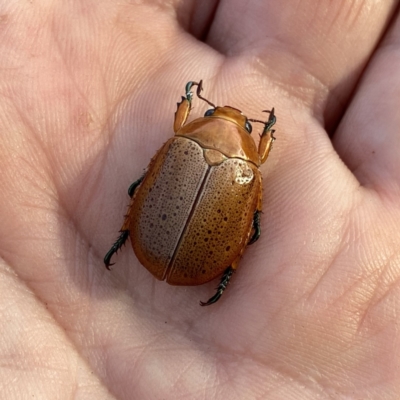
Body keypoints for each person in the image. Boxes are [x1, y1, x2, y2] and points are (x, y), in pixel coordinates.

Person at [0, 1, 399, 398]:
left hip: (164, 240)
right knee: (248, 219)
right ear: (253, 140)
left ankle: (134, 235)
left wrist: (189, 100)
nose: (232, 116)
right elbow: (250, 220)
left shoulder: (183, 145)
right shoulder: (250, 168)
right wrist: (267, 130)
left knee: (158, 189)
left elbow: (148, 181)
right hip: (199, 255)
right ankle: (222, 262)